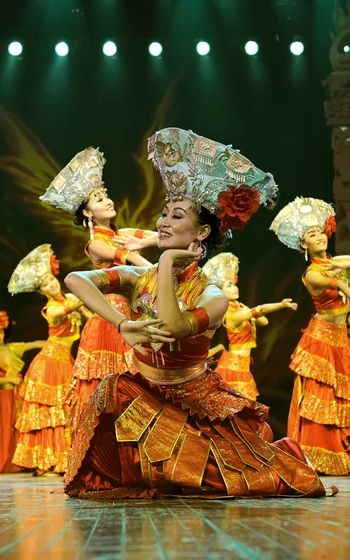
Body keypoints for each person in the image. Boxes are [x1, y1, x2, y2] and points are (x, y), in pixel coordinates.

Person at [64, 128, 330, 499]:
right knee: (114, 387)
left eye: (175, 216)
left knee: (228, 475)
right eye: (164, 214)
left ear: (202, 231)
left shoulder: (212, 295)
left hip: (192, 402)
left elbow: (173, 326)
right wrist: (122, 323)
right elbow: (75, 279)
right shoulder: (138, 277)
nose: (162, 223)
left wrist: (170, 259)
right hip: (144, 391)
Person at [40, 147, 157, 428]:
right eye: (99, 199)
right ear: (86, 211)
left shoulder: (123, 234)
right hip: (109, 318)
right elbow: (129, 262)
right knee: (107, 382)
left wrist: (154, 241)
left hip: (133, 310)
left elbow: (160, 237)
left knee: (138, 380)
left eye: (106, 196)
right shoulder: (97, 244)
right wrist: (158, 272)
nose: (107, 201)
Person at [271, 197, 350, 475]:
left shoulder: (331, 262)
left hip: (340, 337)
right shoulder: (313, 273)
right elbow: (338, 283)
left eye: (320, 231)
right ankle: (319, 456)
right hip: (322, 339)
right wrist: (342, 278)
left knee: (342, 395)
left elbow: (342, 266)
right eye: (311, 234)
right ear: (303, 244)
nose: (318, 237)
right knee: (322, 396)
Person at [8, 244, 87, 475]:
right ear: (41, 292)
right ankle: (48, 460)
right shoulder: (52, 309)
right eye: (44, 284)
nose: (51, 284)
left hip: (66, 360)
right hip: (50, 363)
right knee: (50, 413)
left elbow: (88, 313)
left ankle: (64, 459)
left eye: (50, 279)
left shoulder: (70, 297)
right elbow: (77, 303)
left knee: (64, 413)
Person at [203, 252, 298, 399]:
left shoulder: (240, 310)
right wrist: (281, 304)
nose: (235, 288)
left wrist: (245, 309)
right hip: (233, 368)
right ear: (220, 291)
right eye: (229, 286)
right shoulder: (231, 316)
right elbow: (261, 310)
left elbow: (264, 321)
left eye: (235, 284)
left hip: (243, 366)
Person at [0, 311, 44, 474]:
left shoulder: (13, 348)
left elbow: (34, 344)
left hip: (17, 395)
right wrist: (10, 378)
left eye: (1, 332)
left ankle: (20, 463)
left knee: (18, 427)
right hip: (0, 397)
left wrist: (56, 342)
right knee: (1, 431)